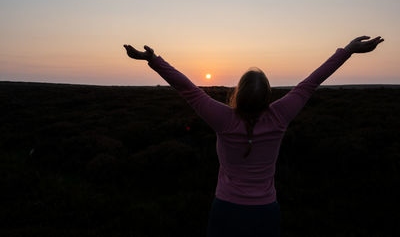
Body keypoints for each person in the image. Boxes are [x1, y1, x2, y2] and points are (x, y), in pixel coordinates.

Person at [123, 36, 384, 237]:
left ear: (239, 92)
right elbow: (312, 82)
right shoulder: (280, 116)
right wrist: (348, 50)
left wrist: (152, 59)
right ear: (268, 95)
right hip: (265, 212)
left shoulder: (223, 118)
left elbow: (187, 89)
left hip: (226, 210)